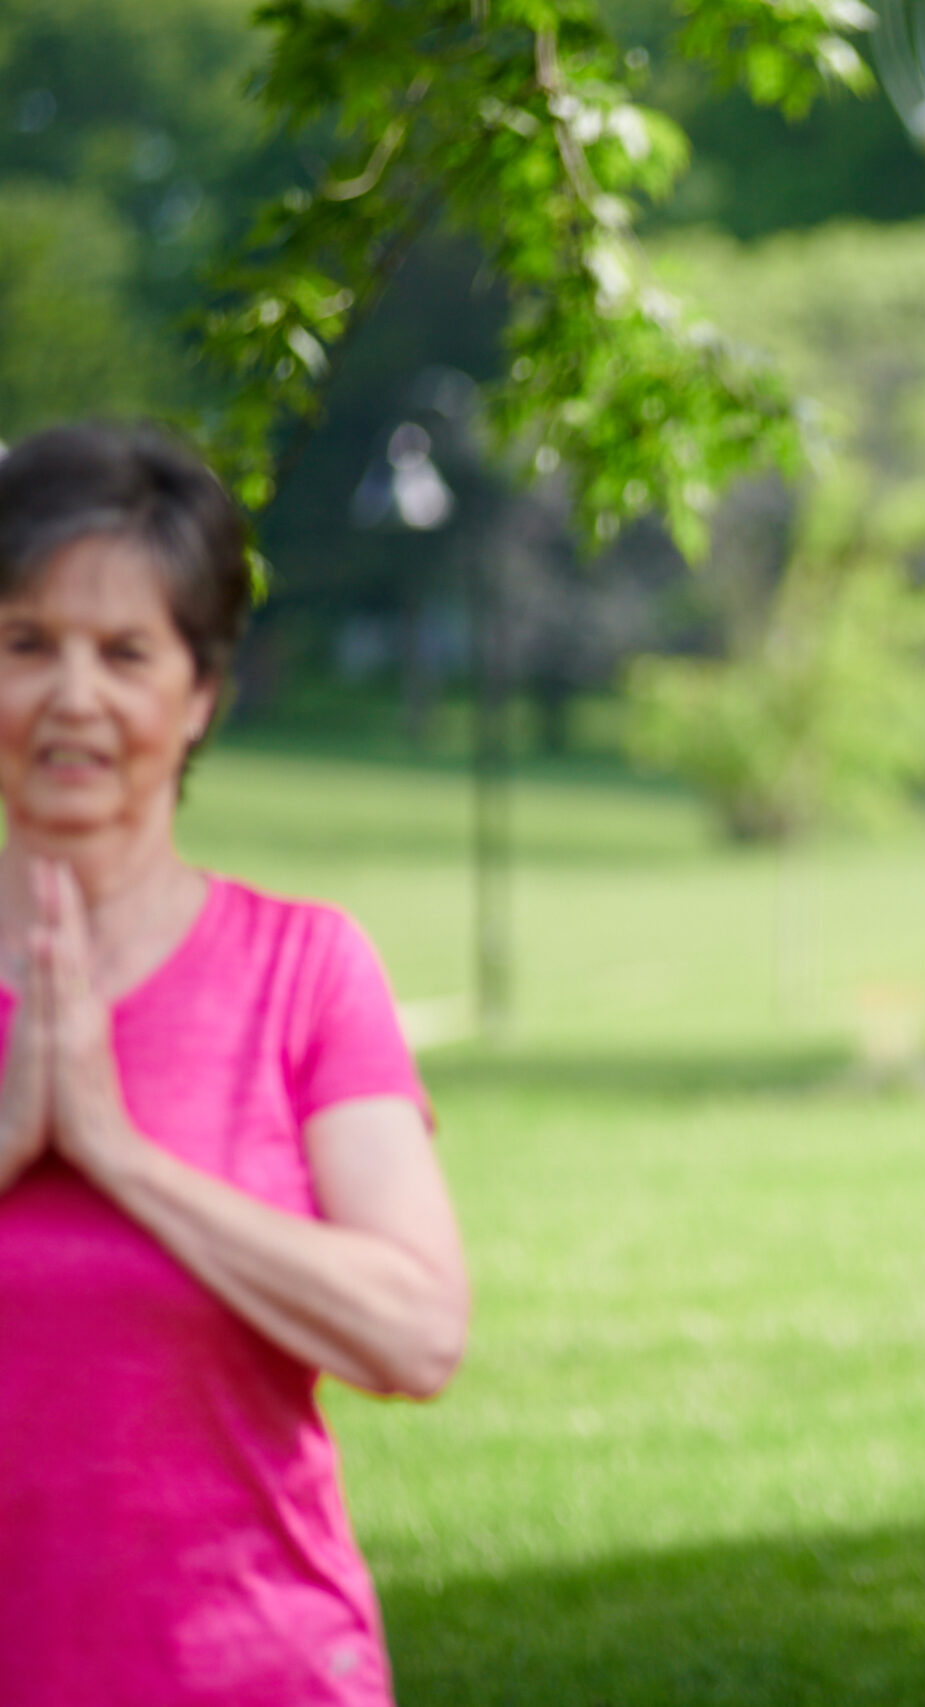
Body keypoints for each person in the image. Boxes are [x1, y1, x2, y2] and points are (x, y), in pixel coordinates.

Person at [0, 424, 469, 1706]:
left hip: (253, 1671)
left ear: (199, 692)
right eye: (26, 643)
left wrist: (115, 1152)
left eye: (125, 651)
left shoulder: (303, 971)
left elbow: (417, 1333)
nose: (72, 695)